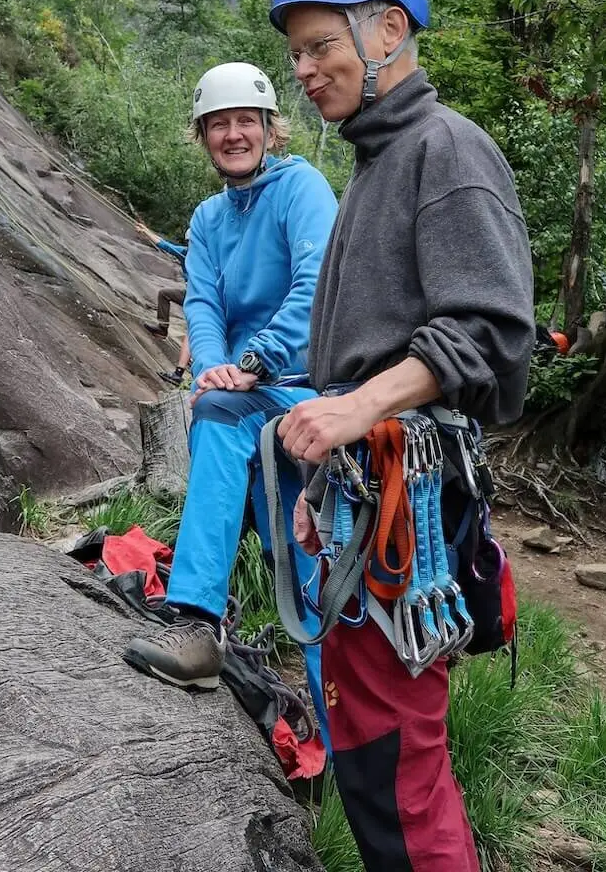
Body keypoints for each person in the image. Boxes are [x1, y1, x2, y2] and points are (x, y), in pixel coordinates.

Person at [268, 0, 535, 871]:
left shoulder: (445, 150)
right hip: (368, 495)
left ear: (388, 30)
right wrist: (322, 478)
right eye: (296, 54)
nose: (305, 71)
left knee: (396, 765)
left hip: (404, 503)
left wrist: (353, 415)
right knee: (374, 755)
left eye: (320, 47)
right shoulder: (380, 162)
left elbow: (491, 332)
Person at [124, 61, 338, 732]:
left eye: (246, 121)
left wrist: (254, 361)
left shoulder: (301, 189)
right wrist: (213, 368)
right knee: (293, 553)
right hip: (245, 397)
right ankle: (200, 626)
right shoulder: (210, 218)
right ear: (204, 137)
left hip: (304, 387)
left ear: (271, 129)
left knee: (304, 559)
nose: (234, 134)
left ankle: (201, 626)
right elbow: (204, 303)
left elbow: (316, 286)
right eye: (219, 125)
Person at [135, 220, 192, 385]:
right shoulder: (185, 253)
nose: (191, 245)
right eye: (189, 243)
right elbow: (165, 245)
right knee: (165, 294)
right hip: (191, 294)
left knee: (191, 332)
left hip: (202, 297)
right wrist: (146, 231)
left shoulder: (204, 257)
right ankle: (162, 328)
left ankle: (179, 373)